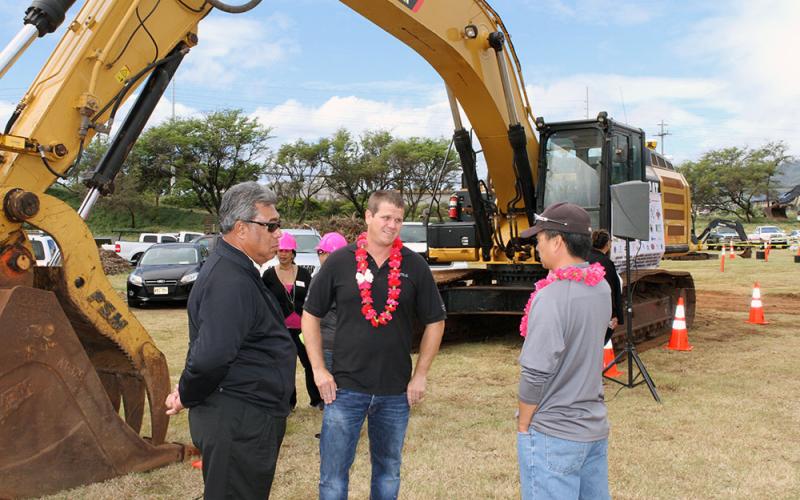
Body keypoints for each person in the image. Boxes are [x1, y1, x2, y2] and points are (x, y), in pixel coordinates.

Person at [302, 190, 446, 500]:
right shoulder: (340, 261)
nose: (392, 225)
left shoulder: (414, 265)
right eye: (385, 217)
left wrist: (420, 374)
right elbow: (310, 315)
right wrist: (318, 370)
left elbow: (436, 320)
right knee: (333, 476)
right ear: (368, 217)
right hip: (344, 389)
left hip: (395, 392)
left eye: (398, 219)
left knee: (388, 472)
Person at [164, 181, 296, 499]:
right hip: (238, 418)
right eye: (271, 225)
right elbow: (212, 356)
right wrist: (186, 393)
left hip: (244, 412)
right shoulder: (229, 280)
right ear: (241, 229)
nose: (279, 233)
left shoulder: (239, 270)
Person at [516, 202, 612, 500]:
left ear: (557, 241)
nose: (537, 245)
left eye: (540, 238)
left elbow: (535, 371)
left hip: (554, 433)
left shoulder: (551, 297)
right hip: (592, 426)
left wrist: (523, 424)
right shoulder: (601, 287)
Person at [263, 233, 322, 409]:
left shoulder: (304, 274)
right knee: (284, 367)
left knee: (310, 364)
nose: (283, 254)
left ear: (293, 252)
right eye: (280, 250)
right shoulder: (268, 275)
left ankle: (317, 399)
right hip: (280, 330)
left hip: (304, 329)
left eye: (287, 250)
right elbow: (264, 301)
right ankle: (288, 402)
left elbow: (312, 299)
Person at [314, 232, 349, 372]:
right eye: (320, 253)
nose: (322, 258)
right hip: (328, 343)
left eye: (325, 253)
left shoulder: (357, 277)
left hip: (347, 344)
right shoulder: (319, 277)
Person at [587, 229, 624, 343]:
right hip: (600, 312)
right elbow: (613, 290)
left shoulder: (583, 258)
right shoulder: (606, 263)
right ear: (607, 244)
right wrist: (616, 315)